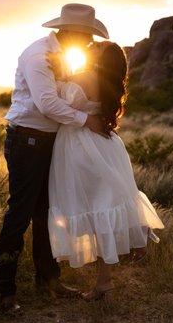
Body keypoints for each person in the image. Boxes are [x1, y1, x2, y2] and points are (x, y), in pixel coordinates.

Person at [0, 3, 110, 311]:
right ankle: (5, 290)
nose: (89, 43)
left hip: (51, 142)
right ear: (70, 32)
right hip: (27, 141)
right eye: (87, 37)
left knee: (47, 213)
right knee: (19, 213)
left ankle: (48, 280)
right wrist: (88, 121)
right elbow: (47, 104)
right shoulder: (38, 55)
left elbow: (64, 96)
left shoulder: (62, 58)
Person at [48, 41, 165, 301]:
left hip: (81, 148)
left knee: (94, 212)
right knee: (101, 211)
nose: (91, 45)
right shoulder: (107, 81)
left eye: (97, 46)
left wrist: (57, 75)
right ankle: (105, 281)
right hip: (103, 145)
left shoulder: (86, 76)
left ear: (101, 57)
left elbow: (54, 106)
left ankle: (105, 281)